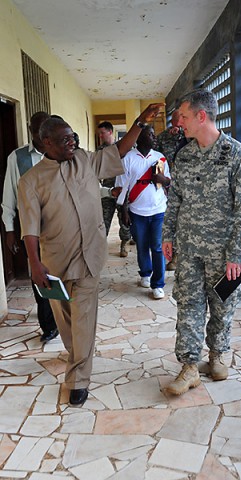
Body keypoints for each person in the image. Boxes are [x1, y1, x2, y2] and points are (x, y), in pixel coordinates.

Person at [17, 103, 163, 407]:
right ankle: (77, 356)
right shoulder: (30, 180)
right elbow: (29, 227)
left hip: (90, 256)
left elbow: (118, 151)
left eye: (73, 137)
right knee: (67, 320)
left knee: (83, 318)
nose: (73, 143)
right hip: (55, 261)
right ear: (46, 143)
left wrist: (139, 122)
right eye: (65, 140)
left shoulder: (84, 160)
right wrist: (34, 263)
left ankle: (78, 379)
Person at [162, 89, 241, 395]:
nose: (179, 122)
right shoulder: (184, 155)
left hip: (224, 252)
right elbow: (175, 199)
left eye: (183, 115)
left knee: (223, 305)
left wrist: (238, 254)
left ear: (201, 116)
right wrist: (168, 235)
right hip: (189, 249)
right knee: (188, 305)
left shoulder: (237, 155)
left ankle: (218, 355)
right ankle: (190, 366)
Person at [1, 111, 58, 342]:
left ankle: (61, 315)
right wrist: (10, 230)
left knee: (60, 273)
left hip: (59, 227)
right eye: (37, 130)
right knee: (39, 274)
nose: (42, 134)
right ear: (31, 130)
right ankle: (49, 325)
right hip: (31, 229)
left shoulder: (60, 153)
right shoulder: (18, 158)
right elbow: (8, 197)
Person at [116, 125, 170, 300]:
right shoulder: (128, 159)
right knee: (142, 246)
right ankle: (145, 274)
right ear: (139, 138)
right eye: (150, 135)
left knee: (157, 247)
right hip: (136, 212)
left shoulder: (160, 158)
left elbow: (169, 184)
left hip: (159, 210)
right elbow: (121, 189)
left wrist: (164, 180)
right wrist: (124, 212)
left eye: (154, 135)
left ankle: (158, 284)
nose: (154, 138)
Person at [157, 110, 187, 271]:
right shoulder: (162, 137)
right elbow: (156, 158)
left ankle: (178, 255)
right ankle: (172, 254)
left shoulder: (189, 135)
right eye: (174, 122)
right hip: (167, 184)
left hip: (186, 184)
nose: (177, 126)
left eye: (180, 121)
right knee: (170, 218)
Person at [97, 121, 131, 257]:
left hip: (123, 189)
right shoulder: (100, 151)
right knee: (104, 219)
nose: (100, 136)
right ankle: (100, 247)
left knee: (124, 218)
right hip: (107, 190)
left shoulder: (123, 148)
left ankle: (124, 244)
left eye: (102, 133)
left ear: (110, 132)